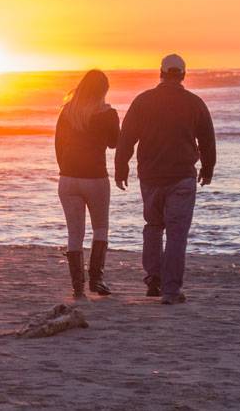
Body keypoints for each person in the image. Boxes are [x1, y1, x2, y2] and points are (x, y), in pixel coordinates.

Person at [114, 54, 216, 305]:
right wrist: (208, 168)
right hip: (181, 177)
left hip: (150, 176)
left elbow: (126, 137)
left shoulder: (143, 101)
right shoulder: (194, 103)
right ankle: (170, 290)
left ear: (160, 72)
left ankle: (153, 279)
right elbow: (207, 139)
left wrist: (121, 167)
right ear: (183, 75)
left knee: (153, 226)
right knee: (176, 234)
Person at [55, 69, 120, 299]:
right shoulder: (107, 113)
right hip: (95, 178)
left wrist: (66, 169)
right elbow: (114, 143)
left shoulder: (67, 112)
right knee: (100, 228)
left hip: (68, 178)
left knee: (75, 234)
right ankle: (96, 279)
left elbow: (58, 146)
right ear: (103, 90)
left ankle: (77, 288)